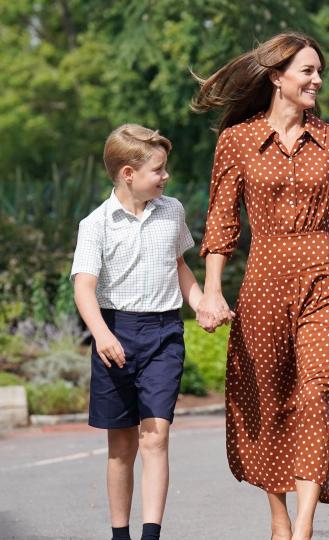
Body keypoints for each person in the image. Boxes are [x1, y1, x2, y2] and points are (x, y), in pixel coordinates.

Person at [191, 32, 329, 540]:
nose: (317, 80)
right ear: (277, 77)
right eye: (307, 71)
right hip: (263, 283)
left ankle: (303, 527)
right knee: (267, 400)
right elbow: (221, 223)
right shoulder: (237, 141)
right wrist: (211, 291)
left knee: (313, 396)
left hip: (323, 280)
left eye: (320, 72)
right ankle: (278, 518)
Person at [72, 124, 203, 540]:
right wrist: (102, 335)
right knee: (121, 448)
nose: (165, 177)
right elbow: (84, 287)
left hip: (164, 333)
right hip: (115, 332)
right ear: (128, 173)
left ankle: (151, 535)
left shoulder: (172, 210)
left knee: (155, 436)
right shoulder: (96, 224)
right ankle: (120, 534)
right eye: (158, 170)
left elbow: (180, 265)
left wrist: (201, 304)